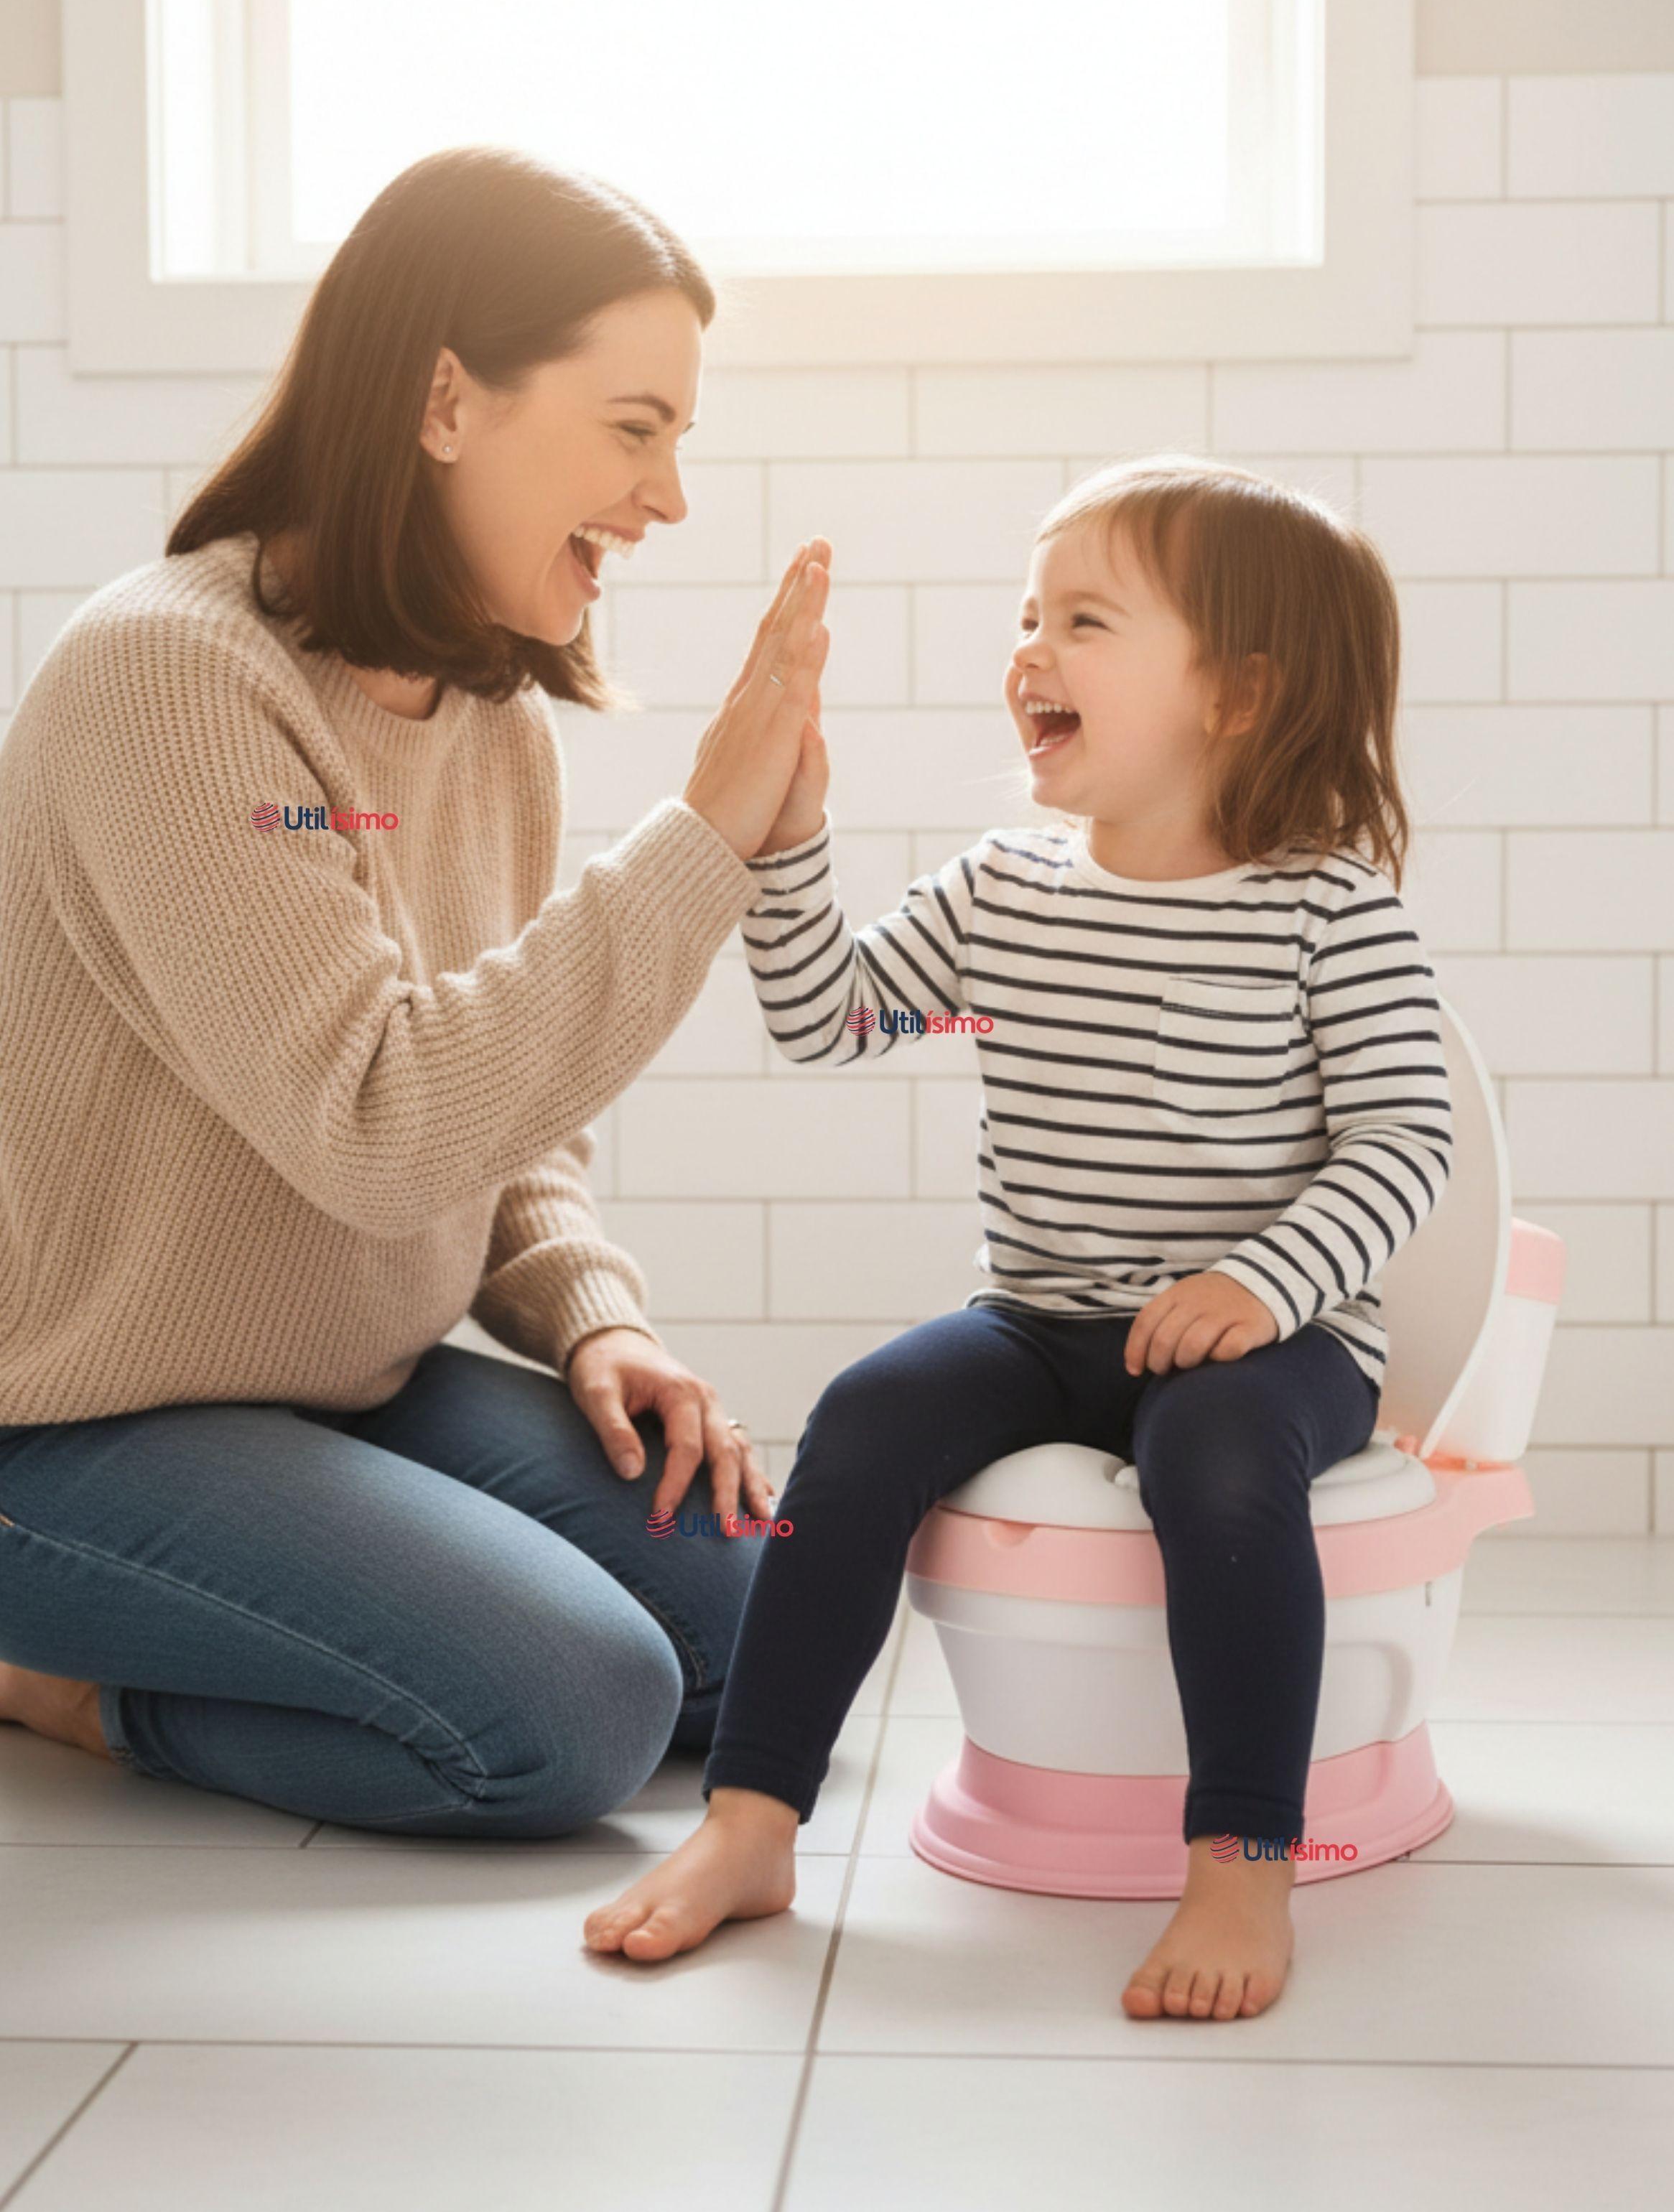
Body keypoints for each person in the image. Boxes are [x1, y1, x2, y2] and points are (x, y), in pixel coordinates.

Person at [0, 145, 834, 1838]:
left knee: (772, 1616)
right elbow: (382, 1122)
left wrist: (594, 1316)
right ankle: (54, 1683)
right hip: (67, 1419)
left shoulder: (490, 722)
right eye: (633, 428)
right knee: (577, 1711)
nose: (667, 498)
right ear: (445, 400)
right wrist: (702, 844)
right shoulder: (171, 680)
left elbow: (493, 1106)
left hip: (330, 1382)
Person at [583, 453, 1456, 2024]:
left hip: (1274, 1343)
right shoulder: (1005, 888)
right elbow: (830, 1017)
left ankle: (1243, 1859)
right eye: (1027, 616)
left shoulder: (1327, 911)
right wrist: (790, 841)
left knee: (1217, 1464)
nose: (1029, 651)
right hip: (1042, 1319)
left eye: (1084, 621)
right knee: (863, 1419)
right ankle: (753, 1818)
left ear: (1238, 692)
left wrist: (1258, 1285)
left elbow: (1407, 1141)